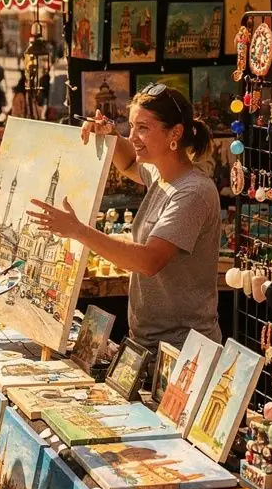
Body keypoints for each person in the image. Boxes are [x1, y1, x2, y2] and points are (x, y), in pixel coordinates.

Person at [29, 83, 221, 353]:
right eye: (131, 127)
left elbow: (148, 261)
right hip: (151, 343)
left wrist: (77, 230)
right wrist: (109, 135)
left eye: (143, 128)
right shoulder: (160, 174)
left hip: (182, 350)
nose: (132, 137)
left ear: (175, 133)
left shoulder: (193, 193)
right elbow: (129, 164)